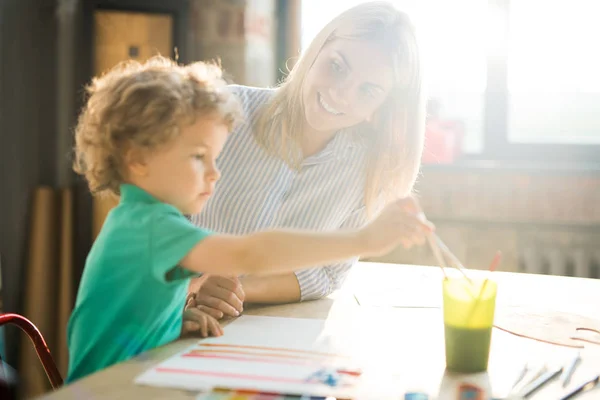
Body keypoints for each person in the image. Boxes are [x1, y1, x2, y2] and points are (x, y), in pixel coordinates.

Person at [66, 55, 433, 382]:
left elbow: (136, 308)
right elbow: (251, 254)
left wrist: (169, 324)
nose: (215, 173)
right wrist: (364, 241)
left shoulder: (145, 218)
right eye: (198, 157)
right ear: (138, 159)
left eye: (216, 158)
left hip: (137, 376)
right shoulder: (150, 226)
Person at [189, 1, 429, 317]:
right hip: (165, 314)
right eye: (337, 66)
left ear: (380, 109)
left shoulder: (369, 172)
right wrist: (191, 287)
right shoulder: (223, 114)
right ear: (316, 51)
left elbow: (327, 274)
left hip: (260, 328)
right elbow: (153, 222)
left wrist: (237, 290)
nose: (341, 94)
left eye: (368, 90)